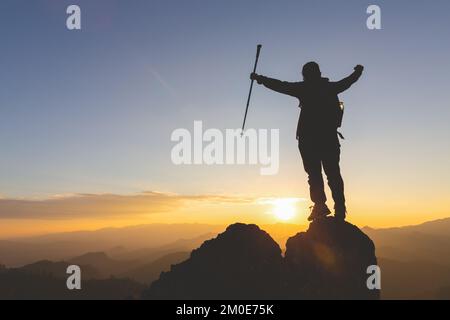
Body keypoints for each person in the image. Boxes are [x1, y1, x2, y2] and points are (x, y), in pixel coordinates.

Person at [251, 62, 363, 221]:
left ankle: (320, 206)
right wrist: (357, 72)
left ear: (305, 75)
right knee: (333, 173)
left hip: (308, 139)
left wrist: (259, 79)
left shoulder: (303, 88)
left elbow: (280, 86)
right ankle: (339, 208)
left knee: (314, 175)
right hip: (328, 138)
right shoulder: (330, 87)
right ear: (319, 72)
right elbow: (348, 82)